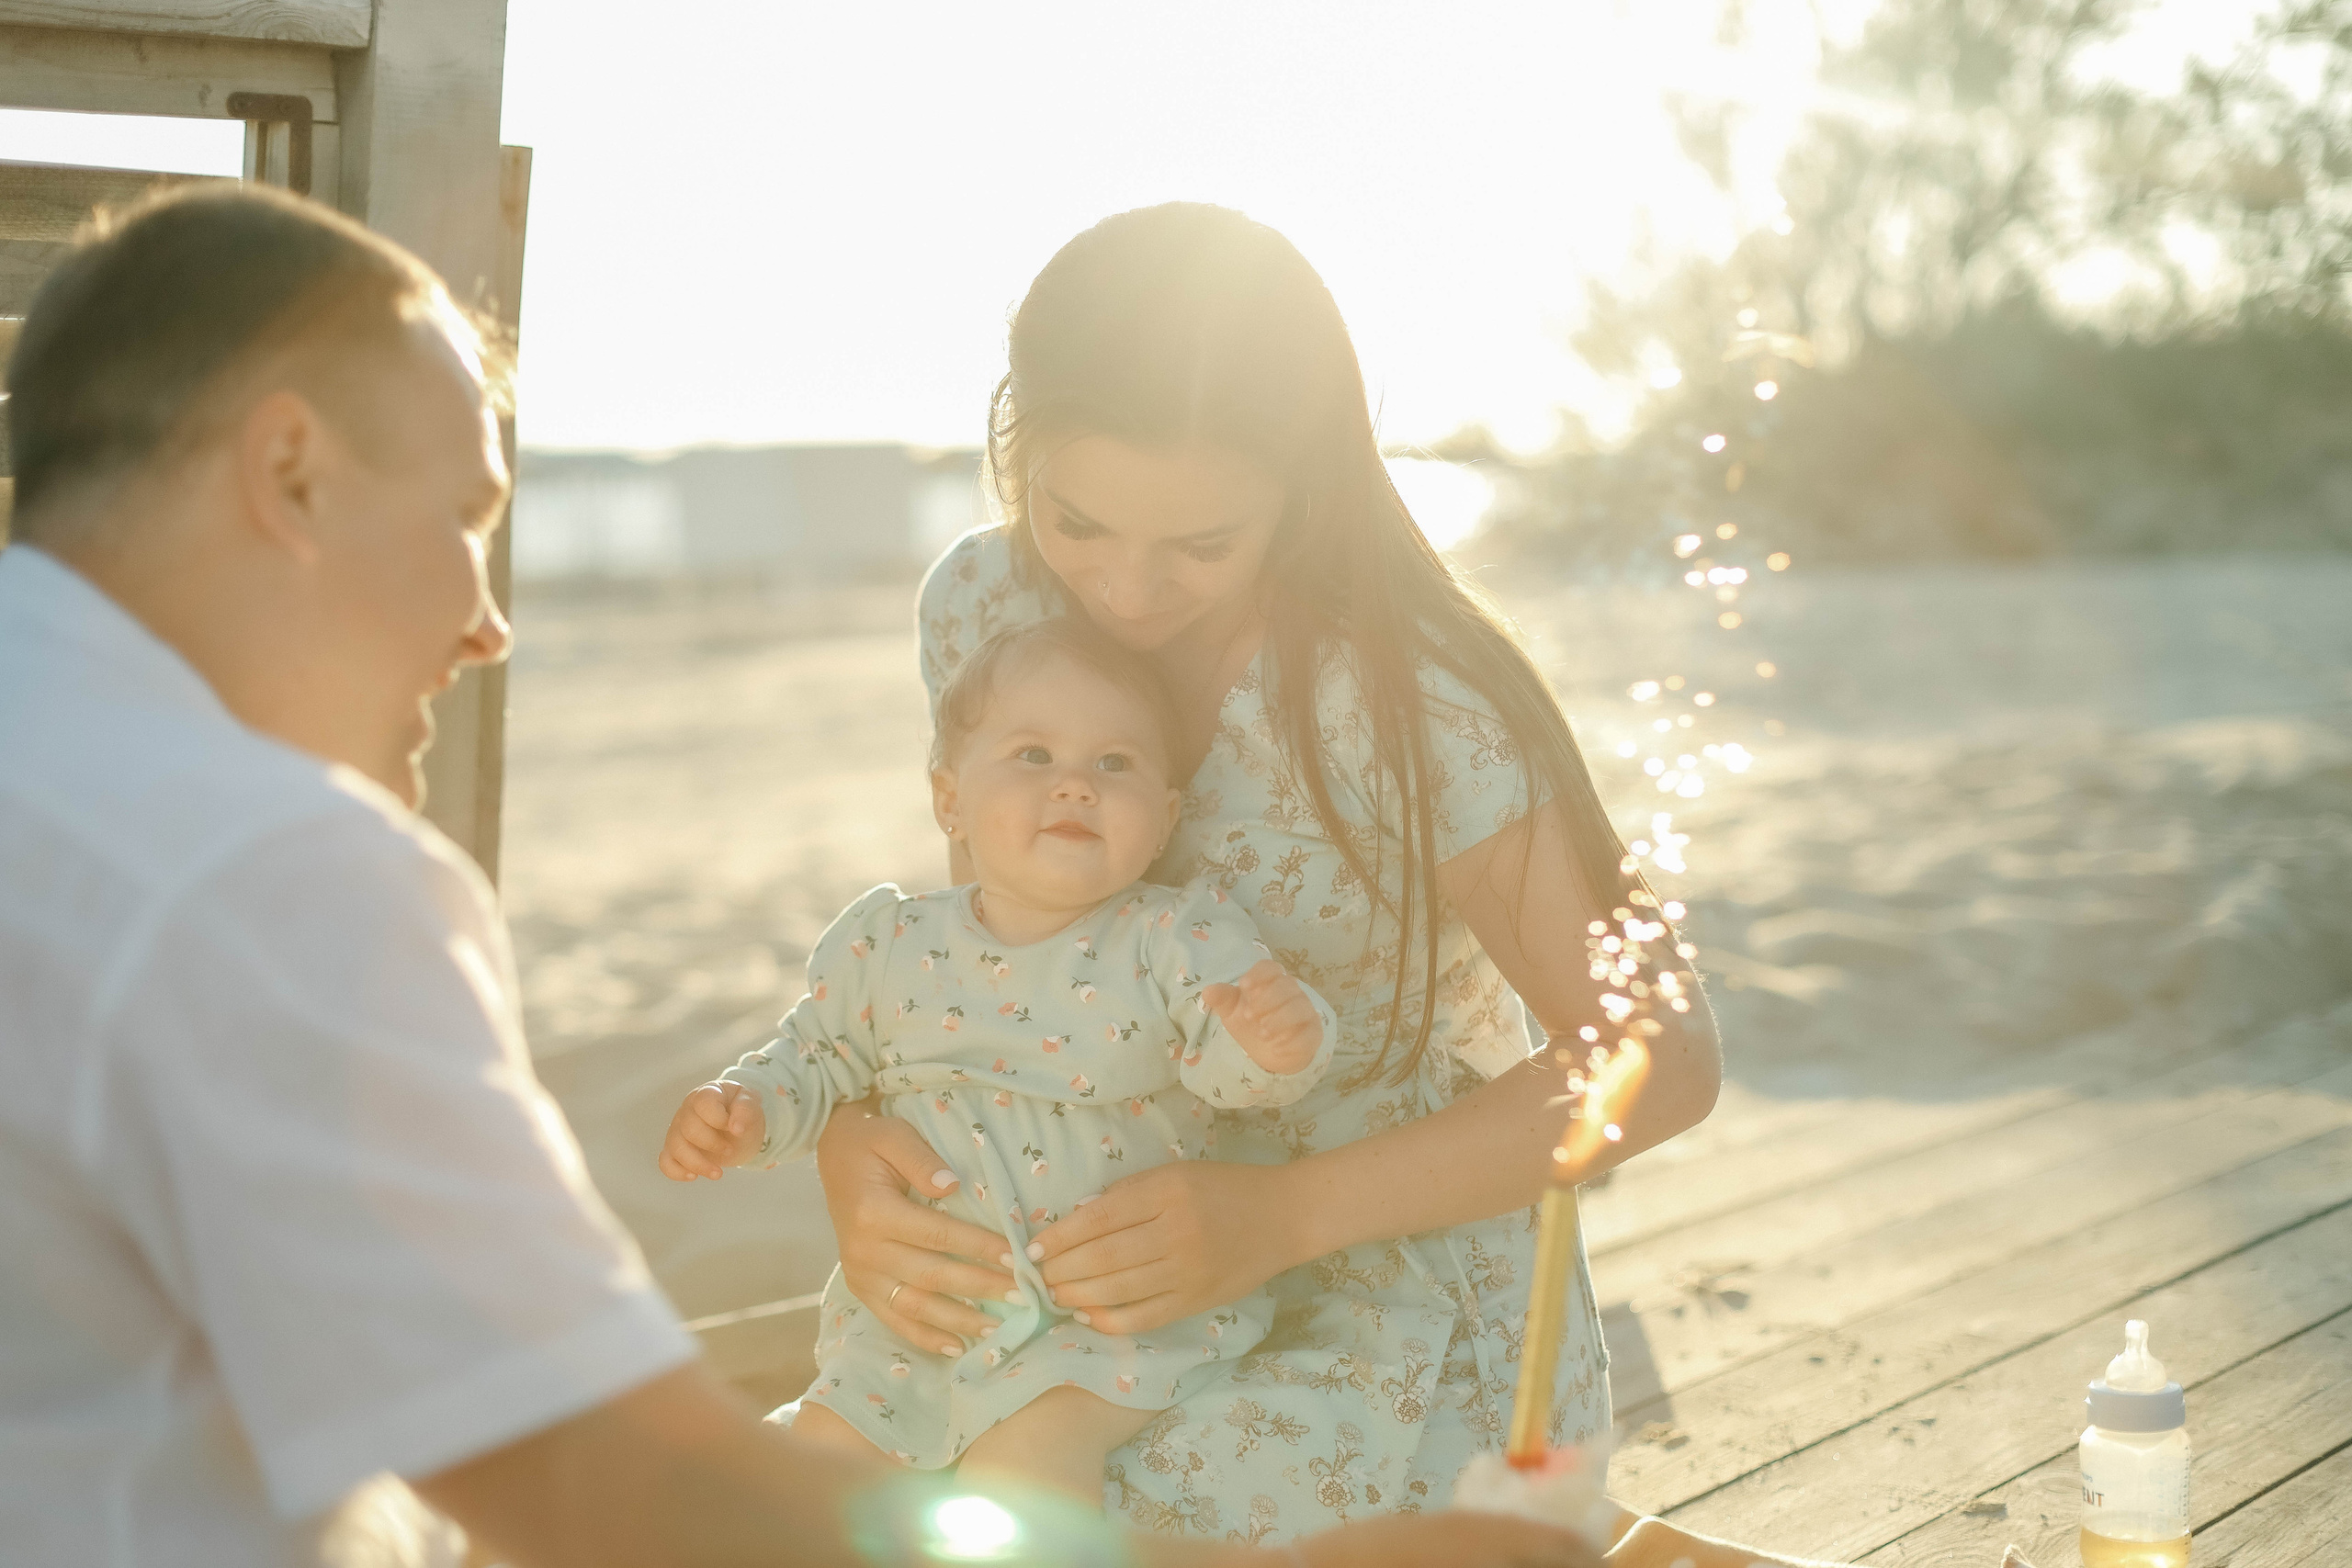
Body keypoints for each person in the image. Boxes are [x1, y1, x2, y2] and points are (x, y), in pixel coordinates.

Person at [0, 186, 1608, 1568]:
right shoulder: (276, 880)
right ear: (288, 477)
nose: (493, 621)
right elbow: (624, 1490)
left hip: (1307, 1283)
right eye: (469, 518)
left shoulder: (100, 790)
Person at [813, 202, 1728, 1540]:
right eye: (1079, 520)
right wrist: (854, 1151)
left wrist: (1279, 1213)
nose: (1126, 588)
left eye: (1200, 544)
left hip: (1384, 1297)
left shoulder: (1411, 700)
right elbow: (991, 930)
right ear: (1016, 441)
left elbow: (1663, 1049)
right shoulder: (987, 608)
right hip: (1080, 1262)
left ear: (1303, 487)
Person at [660, 617, 1340, 1500]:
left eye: (1115, 764)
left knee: (1026, 1458)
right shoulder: (891, 946)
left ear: (1166, 813)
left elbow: (1231, 1074)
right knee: (819, 1463)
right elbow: (817, 1059)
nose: (1074, 786)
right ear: (950, 798)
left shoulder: (1170, 937)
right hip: (928, 1317)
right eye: (1032, 755)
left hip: (1102, 1317)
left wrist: (1274, 1041)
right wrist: (744, 1109)